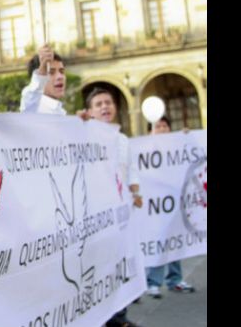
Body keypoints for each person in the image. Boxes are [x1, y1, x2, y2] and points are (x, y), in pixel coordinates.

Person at [84, 87, 143, 327]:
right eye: (98, 104)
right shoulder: (83, 137)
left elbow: (131, 170)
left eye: (108, 102)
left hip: (121, 218)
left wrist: (136, 192)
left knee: (121, 266)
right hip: (97, 220)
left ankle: (120, 316)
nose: (105, 107)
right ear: (90, 111)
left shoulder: (122, 140)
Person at [145, 116, 196, 299]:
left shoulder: (176, 146)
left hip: (174, 202)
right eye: (158, 126)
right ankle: (153, 282)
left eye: (165, 125)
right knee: (159, 242)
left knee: (175, 240)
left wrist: (186, 137)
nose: (162, 129)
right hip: (156, 205)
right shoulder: (147, 148)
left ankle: (175, 279)